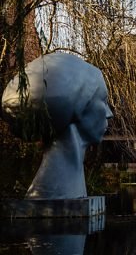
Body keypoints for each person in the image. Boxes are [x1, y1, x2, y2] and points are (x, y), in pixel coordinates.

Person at [2, 52, 113, 199]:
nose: (109, 113)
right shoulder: (54, 190)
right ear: (79, 107)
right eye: (103, 101)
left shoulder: (73, 185)